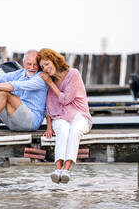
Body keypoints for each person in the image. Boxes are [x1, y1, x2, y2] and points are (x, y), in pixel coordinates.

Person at [37, 48, 92, 184]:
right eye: (43, 67)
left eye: (47, 64)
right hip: (60, 117)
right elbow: (49, 107)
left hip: (80, 116)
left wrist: (50, 83)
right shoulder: (50, 82)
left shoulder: (73, 74)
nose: (46, 69)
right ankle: (57, 170)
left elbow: (65, 99)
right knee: (62, 130)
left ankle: (66, 170)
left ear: (54, 60)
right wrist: (49, 127)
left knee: (74, 131)